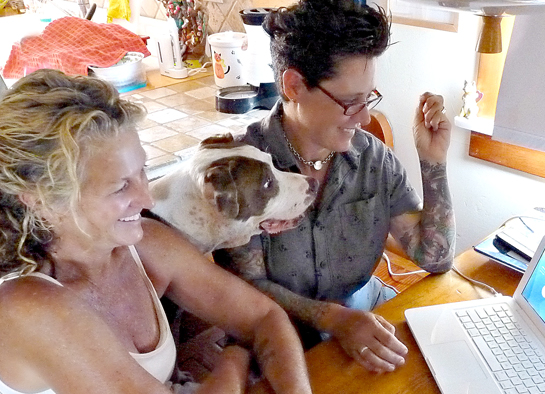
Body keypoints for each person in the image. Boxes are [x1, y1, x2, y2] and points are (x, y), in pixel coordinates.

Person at [0, 69, 312, 394]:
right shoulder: (28, 307)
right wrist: (234, 360)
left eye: (142, 172)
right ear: (42, 200)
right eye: (121, 187)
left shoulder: (146, 243)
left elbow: (265, 319)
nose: (146, 199)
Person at [213, 0, 455, 374]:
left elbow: (435, 258)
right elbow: (247, 288)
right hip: (274, 342)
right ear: (293, 85)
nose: (365, 118)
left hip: (364, 316)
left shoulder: (374, 161)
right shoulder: (242, 172)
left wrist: (434, 161)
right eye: (349, 102)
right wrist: (332, 320)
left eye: (369, 98)